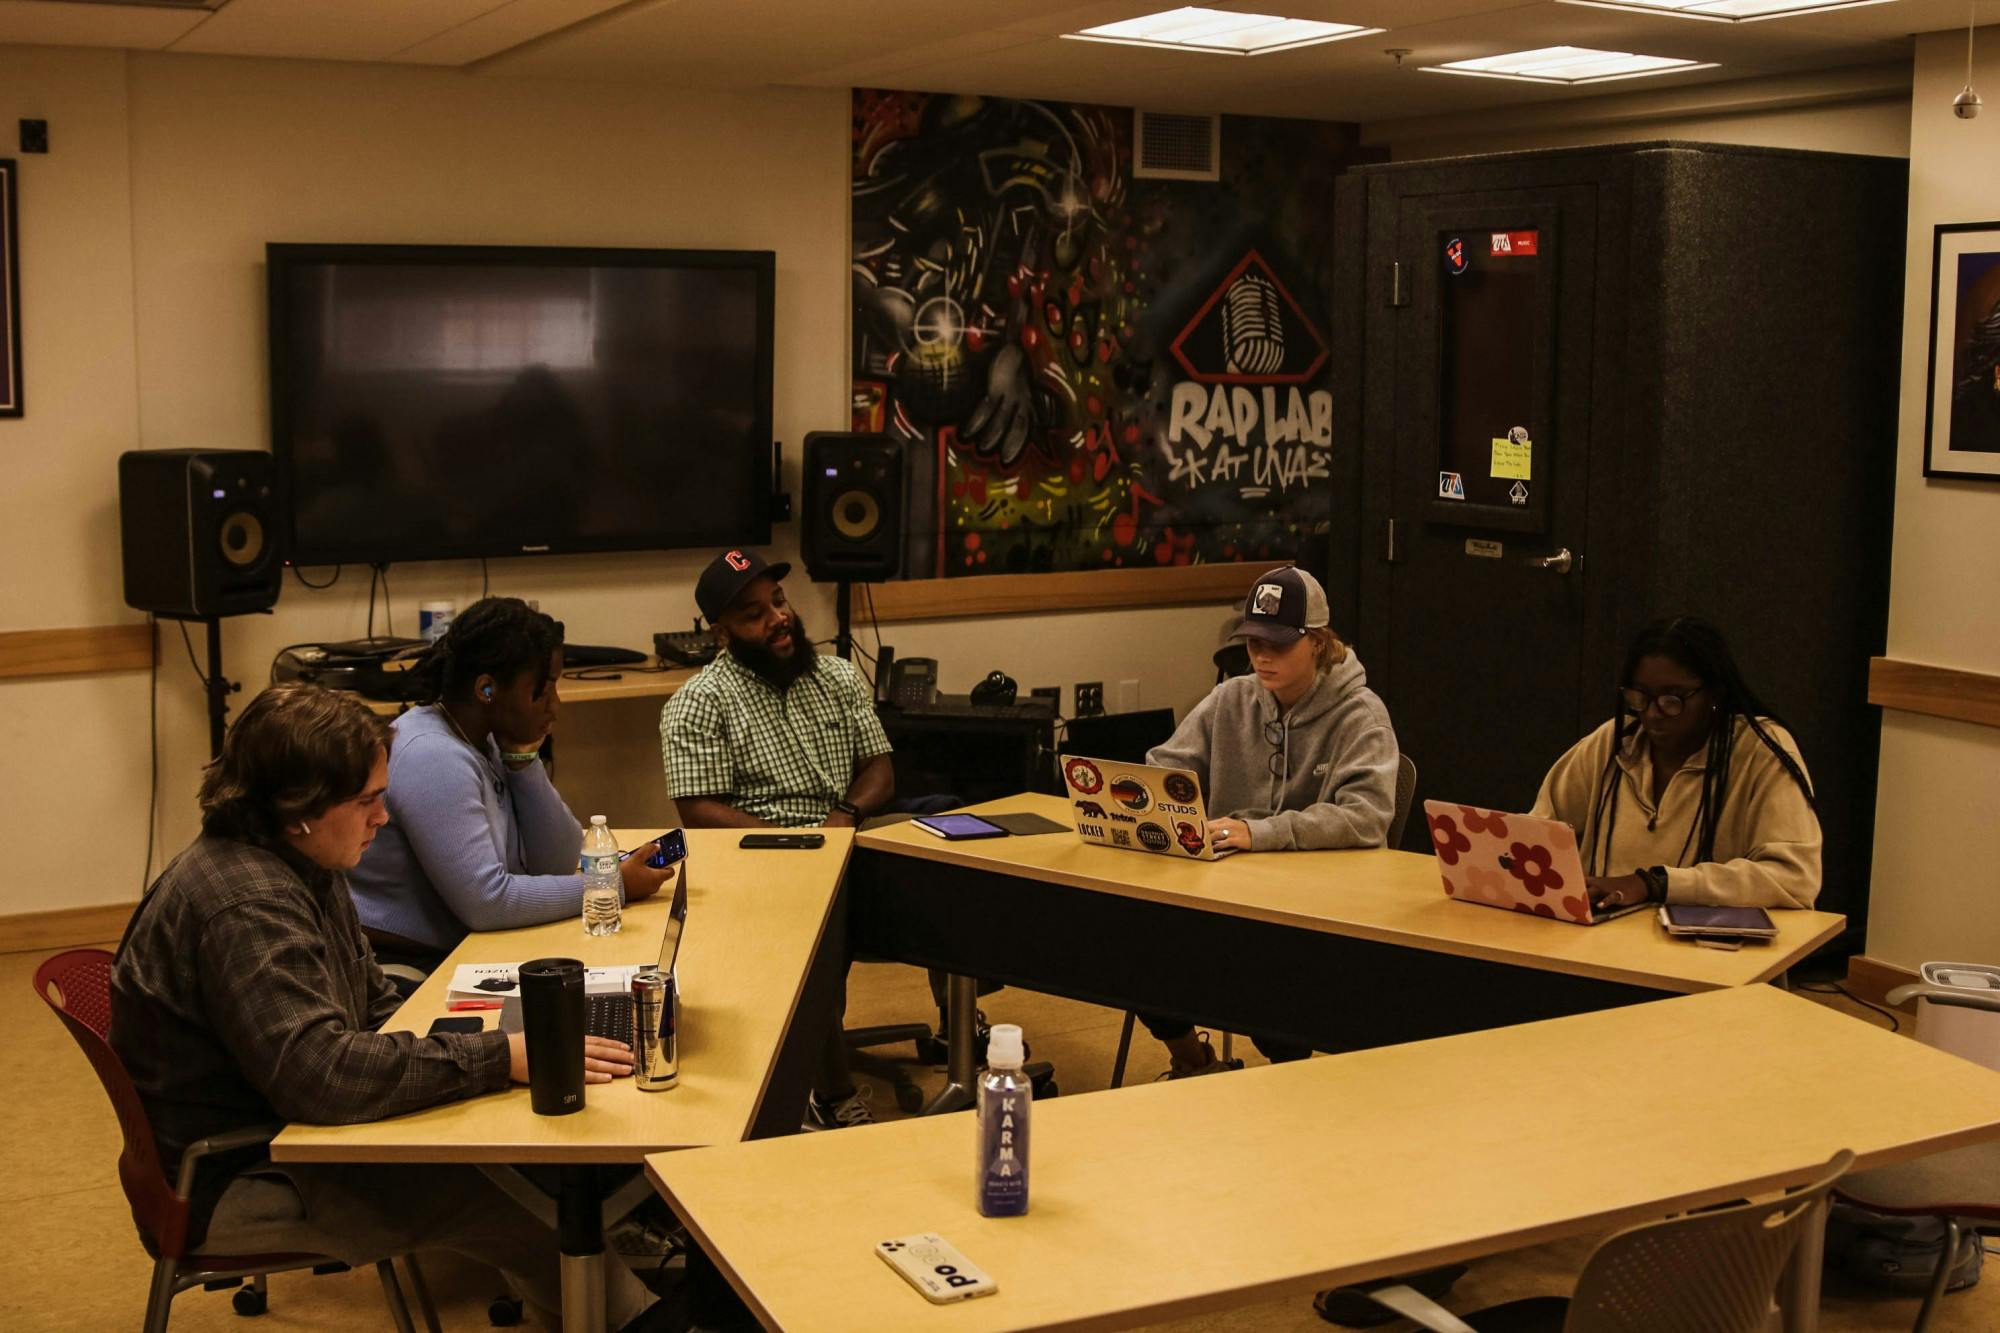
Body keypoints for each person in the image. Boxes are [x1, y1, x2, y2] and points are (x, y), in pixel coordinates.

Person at [110, 683, 651, 1328]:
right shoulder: (247, 906)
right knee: (524, 1197)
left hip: (276, 1131)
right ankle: (635, 1318)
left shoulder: (300, 859)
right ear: (299, 807)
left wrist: (494, 1038)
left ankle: (590, 1301)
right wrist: (495, 1057)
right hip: (244, 1174)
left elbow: (373, 1005)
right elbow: (325, 1078)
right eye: (367, 800)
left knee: (523, 1155)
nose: (383, 818)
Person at [660, 548, 894, 1128]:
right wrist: (796, 847)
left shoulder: (837, 675)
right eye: (753, 613)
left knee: (955, 878)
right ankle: (832, 1095)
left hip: (848, 837)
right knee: (808, 935)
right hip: (762, 859)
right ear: (720, 632)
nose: (778, 618)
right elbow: (698, 811)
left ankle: (970, 1046)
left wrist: (843, 814)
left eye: (779, 601)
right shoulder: (697, 704)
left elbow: (880, 771)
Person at [1137, 565, 1401, 1077]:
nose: (1261, 656)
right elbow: (1167, 767)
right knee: (1141, 945)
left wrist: (1260, 833)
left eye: (1278, 644)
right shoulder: (1231, 698)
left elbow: (1366, 817)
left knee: (1269, 984)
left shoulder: (1361, 716)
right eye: (1254, 641)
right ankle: (1195, 1063)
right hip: (1228, 892)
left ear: (1319, 644)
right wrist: (1160, 805)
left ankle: (1289, 1082)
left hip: (1316, 908)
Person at [349, 597, 672, 967]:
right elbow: (487, 902)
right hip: (400, 965)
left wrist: (522, 760)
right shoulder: (431, 754)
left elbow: (558, 859)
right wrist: (613, 885)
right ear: (486, 690)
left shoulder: (484, 737)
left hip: (462, 947)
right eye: (544, 688)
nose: (556, 705)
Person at [1531, 615, 1822, 913]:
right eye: (1640, 697)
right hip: (1604, 946)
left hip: (1706, 954)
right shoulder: (1614, 742)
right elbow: (1537, 835)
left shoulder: (1759, 750)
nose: (1654, 713)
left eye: (1672, 699)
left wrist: (1654, 884)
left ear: (1714, 694)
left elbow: (1795, 880)